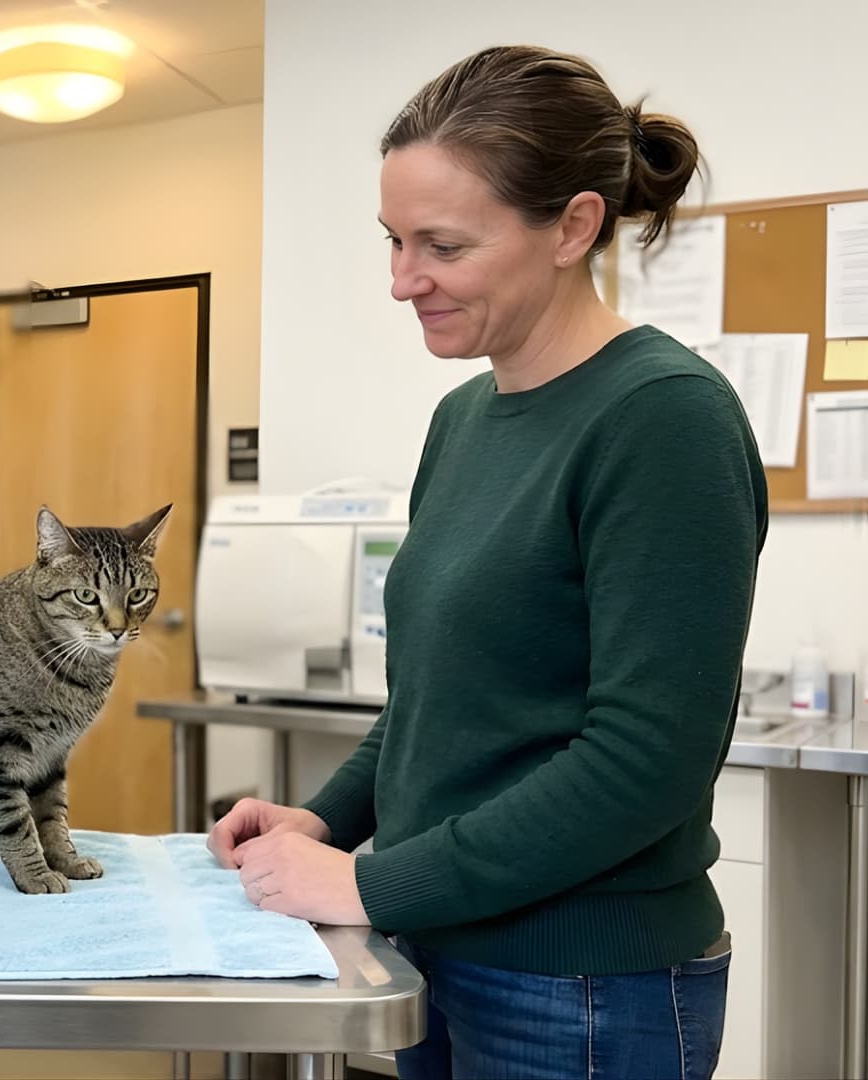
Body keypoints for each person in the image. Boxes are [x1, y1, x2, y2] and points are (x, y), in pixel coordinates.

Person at [208, 45, 766, 1079]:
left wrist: (368, 885)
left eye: (442, 246)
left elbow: (647, 760)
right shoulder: (461, 420)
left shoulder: (663, 418)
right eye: (393, 241)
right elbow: (438, 699)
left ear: (574, 225)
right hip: (444, 951)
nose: (400, 280)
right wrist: (326, 817)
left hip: (585, 985)